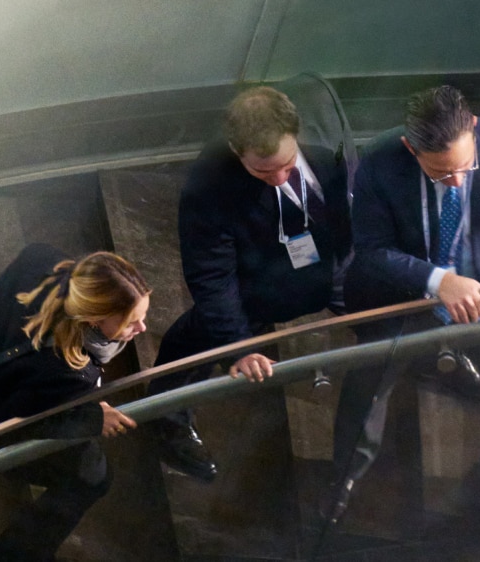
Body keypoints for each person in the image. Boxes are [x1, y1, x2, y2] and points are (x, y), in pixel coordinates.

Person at [334, 86, 480, 557]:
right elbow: (372, 252)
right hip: (402, 297)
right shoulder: (378, 165)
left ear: (473, 127)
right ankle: (341, 485)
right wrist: (437, 280)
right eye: (440, 174)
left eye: (463, 168)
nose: (455, 182)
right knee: (365, 387)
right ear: (411, 149)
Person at [147, 86, 353, 482]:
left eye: (288, 164)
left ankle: (439, 351)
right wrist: (239, 346)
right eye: (261, 171)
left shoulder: (326, 134)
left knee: (389, 303)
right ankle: (166, 417)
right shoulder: (209, 183)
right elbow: (211, 274)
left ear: (298, 133)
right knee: (199, 337)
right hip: (256, 279)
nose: (278, 179)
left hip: (332, 260)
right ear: (235, 149)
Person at [0, 243, 148, 561]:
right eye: (132, 321)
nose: (142, 328)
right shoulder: (66, 369)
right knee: (89, 477)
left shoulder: (41, 260)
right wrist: (93, 416)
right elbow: (21, 420)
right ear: (94, 318)